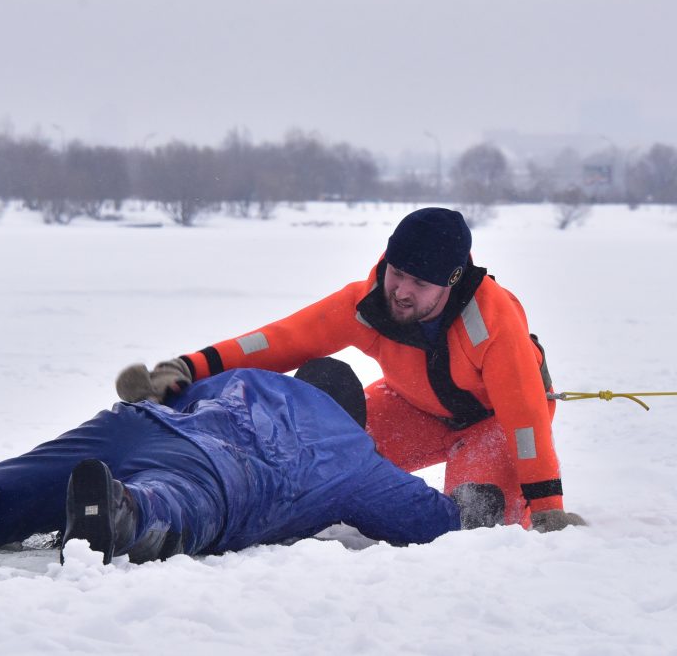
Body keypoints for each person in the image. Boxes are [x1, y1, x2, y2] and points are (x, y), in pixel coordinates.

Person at [117, 207, 585, 533]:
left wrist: (548, 506)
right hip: (414, 408)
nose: (400, 290)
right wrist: (188, 367)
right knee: (321, 462)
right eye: (396, 272)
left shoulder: (492, 323)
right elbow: (278, 340)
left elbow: (525, 417)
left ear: (453, 281)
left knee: (470, 518)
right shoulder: (368, 301)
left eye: (419, 284)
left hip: (495, 425)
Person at [0, 363, 493, 564]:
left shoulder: (248, 377)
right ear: (352, 413)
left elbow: (171, 394)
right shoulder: (354, 454)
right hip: (224, 471)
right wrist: (476, 506)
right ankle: (128, 513)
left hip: (139, 424)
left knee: (33, 475)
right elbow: (424, 518)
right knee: (172, 501)